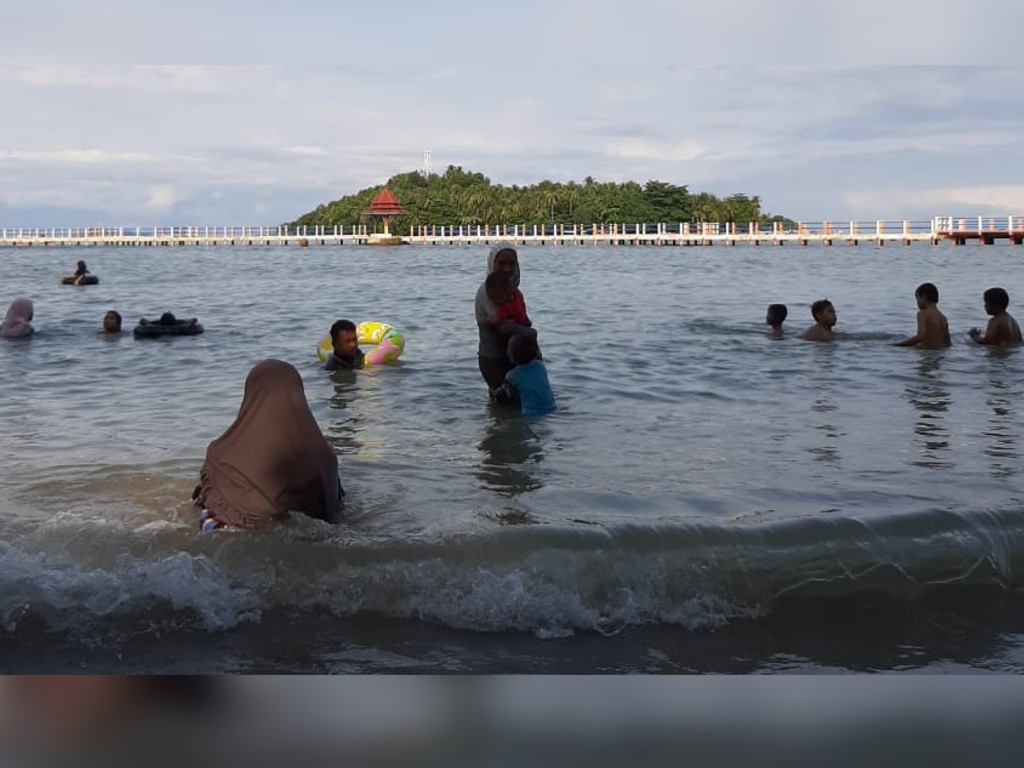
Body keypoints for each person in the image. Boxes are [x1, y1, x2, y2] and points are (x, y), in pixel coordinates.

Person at [192, 359, 343, 531]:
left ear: (250, 396)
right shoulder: (326, 457)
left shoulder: (221, 454)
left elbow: (206, 500)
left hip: (244, 536)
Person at [475, 242, 536, 389]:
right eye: (501, 263)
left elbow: (522, 320)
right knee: (505, 403)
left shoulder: (514, 293)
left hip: (516, 359)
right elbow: (504, 327)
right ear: (492, 263)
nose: (507, 268)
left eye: (511, 263)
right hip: (493, 360)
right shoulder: (487, 292)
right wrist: (531, 333)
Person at [492, 332, 557, 416]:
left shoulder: (512, 375)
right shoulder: (540, 366)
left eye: (508, 348)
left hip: (530, 413)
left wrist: (495, 392)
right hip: (552, 408)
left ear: (511, 357)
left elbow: (506, 393)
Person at [894, 282, 951, 348]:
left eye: (917, 299)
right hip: (940, 352)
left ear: (924, 297)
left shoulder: (922, 314)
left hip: (928, 351)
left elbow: (920, 337)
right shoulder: (943, 317)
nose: (917, 303)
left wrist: (898, 345)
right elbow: (948, 343)